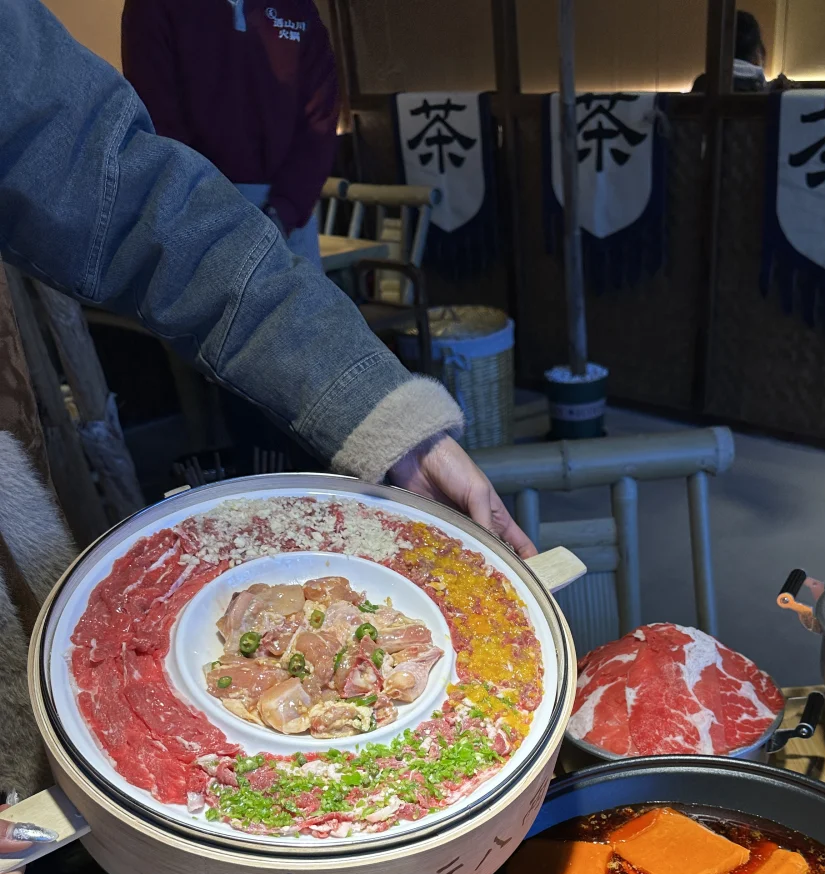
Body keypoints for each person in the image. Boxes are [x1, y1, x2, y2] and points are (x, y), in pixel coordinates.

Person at [0, 0, 533, 560]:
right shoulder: (159, 8)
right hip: (211, 189)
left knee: (291, 373)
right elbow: (160, 127)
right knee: (232, 406)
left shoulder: (294, 9)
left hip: (266, 219)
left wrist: (397, 425)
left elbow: (138, 190)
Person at [122, 0, 338, 267]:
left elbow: (320, 121)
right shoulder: (152, 6)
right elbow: (159, 121)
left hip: (289, 222)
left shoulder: (296, 7)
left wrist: (284, 211)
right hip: (198, 217)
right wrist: (208, 213)